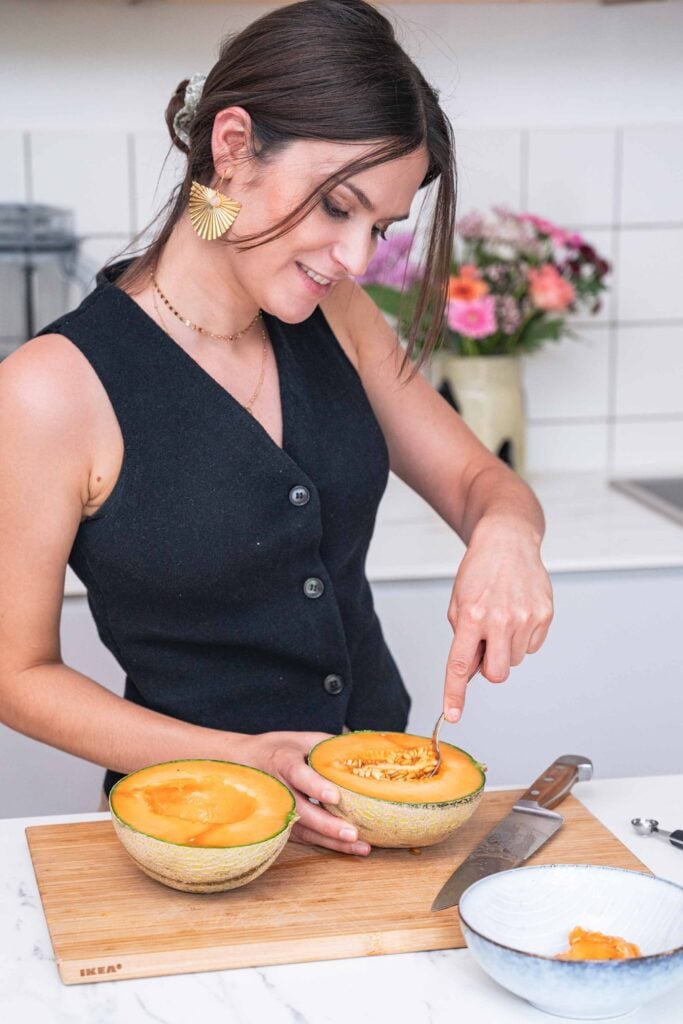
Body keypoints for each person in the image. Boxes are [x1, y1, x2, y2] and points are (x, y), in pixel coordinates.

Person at [0, 0, 552, 856]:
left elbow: (483, 483)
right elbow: (15, 674)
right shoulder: (51, 390)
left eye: (380, 226)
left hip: (382, 820)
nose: (359, 257)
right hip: (197, 828)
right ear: (232, 147)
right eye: (337, 205)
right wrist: (244, 757)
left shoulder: (341, 317)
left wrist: (509, 534)